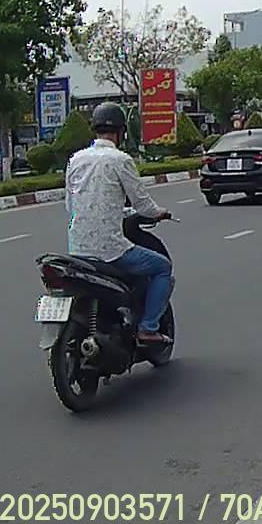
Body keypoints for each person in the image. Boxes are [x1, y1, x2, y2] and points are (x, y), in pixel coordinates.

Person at [66, 102, 173, 344]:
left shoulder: (75, 159)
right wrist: (160, 213)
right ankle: (148, 328)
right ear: (121, 132)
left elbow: (70, 204)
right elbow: (143, 205)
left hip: (77, 249)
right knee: (162, 267)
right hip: (110, 250)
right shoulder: (120, 159)